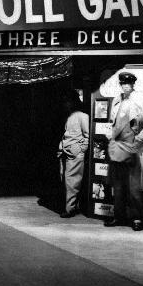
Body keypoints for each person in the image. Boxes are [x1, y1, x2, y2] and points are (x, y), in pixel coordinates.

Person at [105, 71, 143, 230]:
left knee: (134, 187)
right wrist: (109, 135)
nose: (126, 85)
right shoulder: (116, 100)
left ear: (134, 84)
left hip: (133, 147)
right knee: (118, 186)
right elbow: (112, 123)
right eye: (123, 83)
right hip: (117, 147)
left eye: (129, 83)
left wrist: (137, 141)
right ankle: (118, 216)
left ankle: (137, 218)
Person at [57, 90, 89, 218]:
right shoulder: (70, 116)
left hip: (74, 154)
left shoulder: (82, 116)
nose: (65, 104)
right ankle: (72, 206)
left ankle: (70, 208)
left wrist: (80, 149)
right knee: (66, 180)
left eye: (67, 101)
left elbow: (87, 135)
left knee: (72, 182)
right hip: (66, 152)